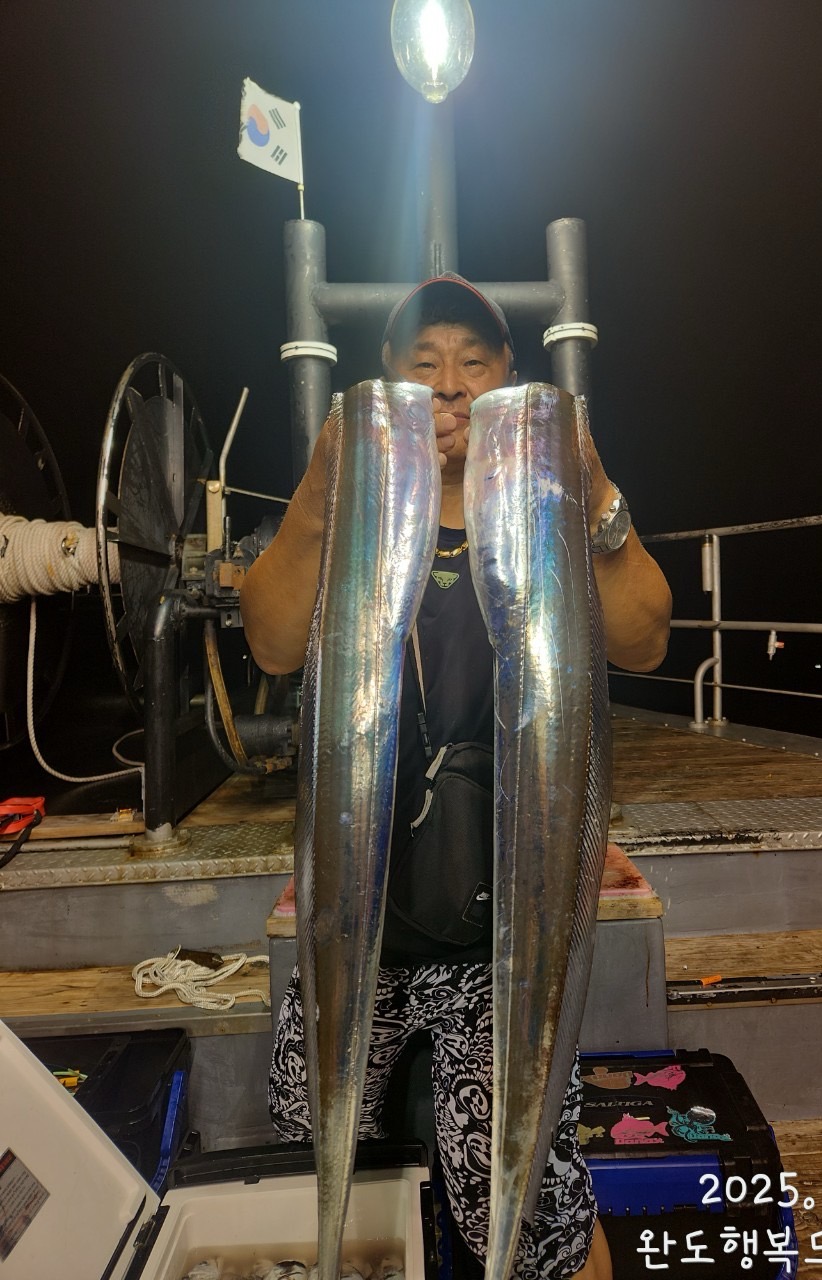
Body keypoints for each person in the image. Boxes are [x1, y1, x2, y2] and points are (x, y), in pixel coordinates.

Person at [240, 274, 672, 1280]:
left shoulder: (550, 507)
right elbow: (270, 641)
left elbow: (647, 637)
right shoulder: (352, 511)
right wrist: (323, 482)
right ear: (390, 380)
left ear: (506, 377)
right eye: (424, 363)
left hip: (504, 931)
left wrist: (593, 487)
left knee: (536, 1206)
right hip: (363, 916)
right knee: (312, 1137)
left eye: (474, 362)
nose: (449, 384)